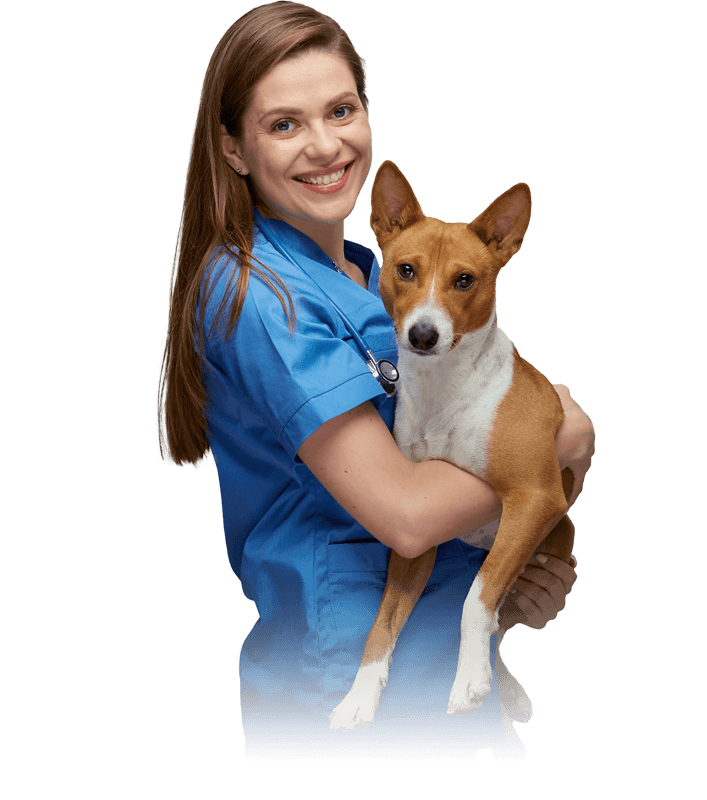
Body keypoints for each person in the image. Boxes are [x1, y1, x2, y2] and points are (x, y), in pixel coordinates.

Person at [157, 2, 594, 761]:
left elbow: (455, 473)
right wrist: (563, 434)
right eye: (284, 124)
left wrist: (525, 578)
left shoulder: (374, 274)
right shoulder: (260, 294)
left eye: (341, 109)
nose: (326, 145)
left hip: (453, 681)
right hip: (350, 695)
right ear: (231, 147)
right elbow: (408, 514)